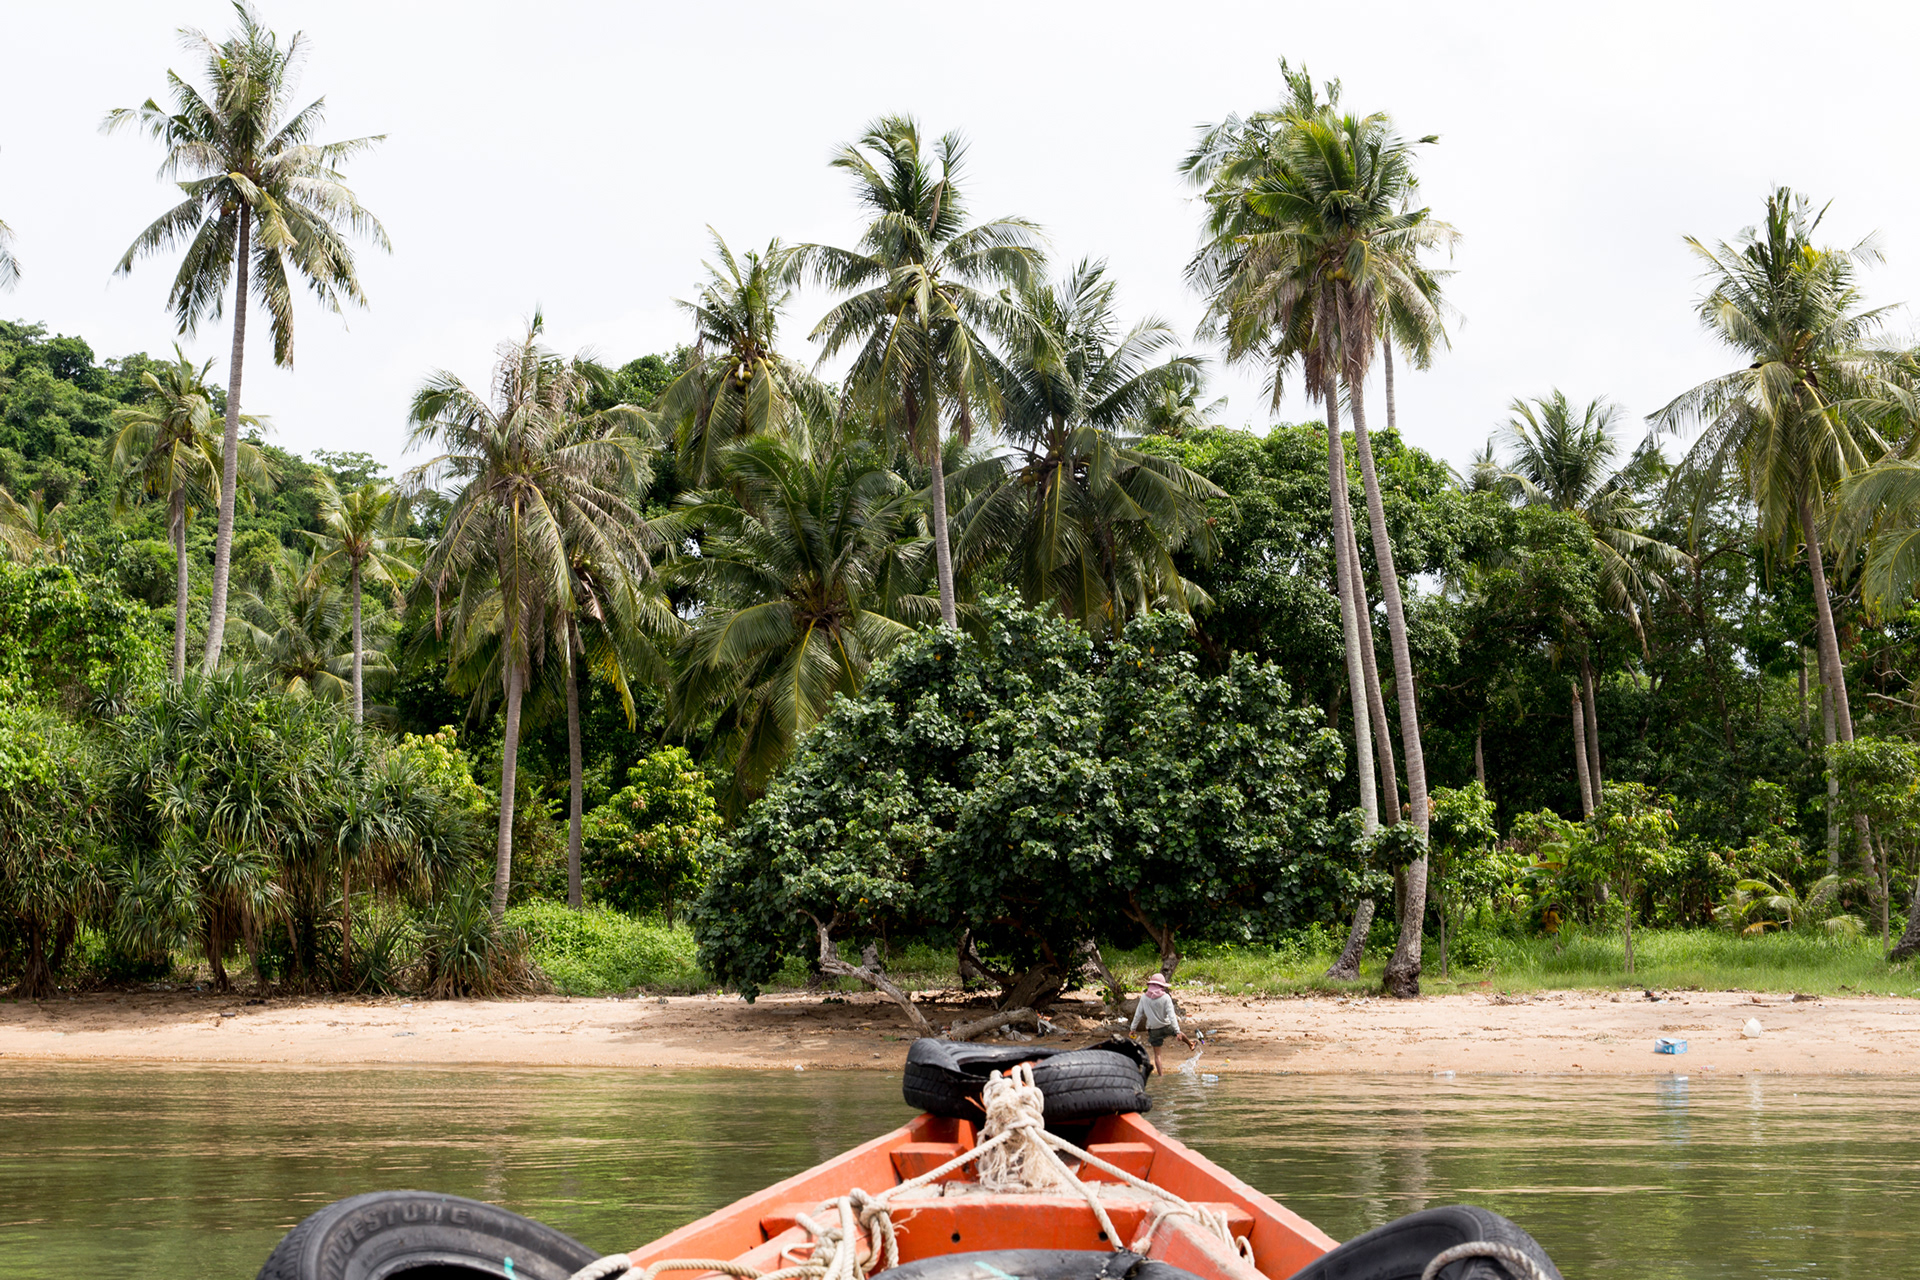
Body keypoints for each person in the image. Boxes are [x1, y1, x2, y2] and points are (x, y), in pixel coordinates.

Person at [1129, 973, 1192, 1075]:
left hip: (1153, 1029)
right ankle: (1190, 1044)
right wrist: (1177, 1031)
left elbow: (1138, 1015)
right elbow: (1172, 1016)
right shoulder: (1165, 997)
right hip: (1167, 1026)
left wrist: (1133, 1028)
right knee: (1180, 1033)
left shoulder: (1144, 998)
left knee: (1157, 1055)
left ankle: (1161, 1076)